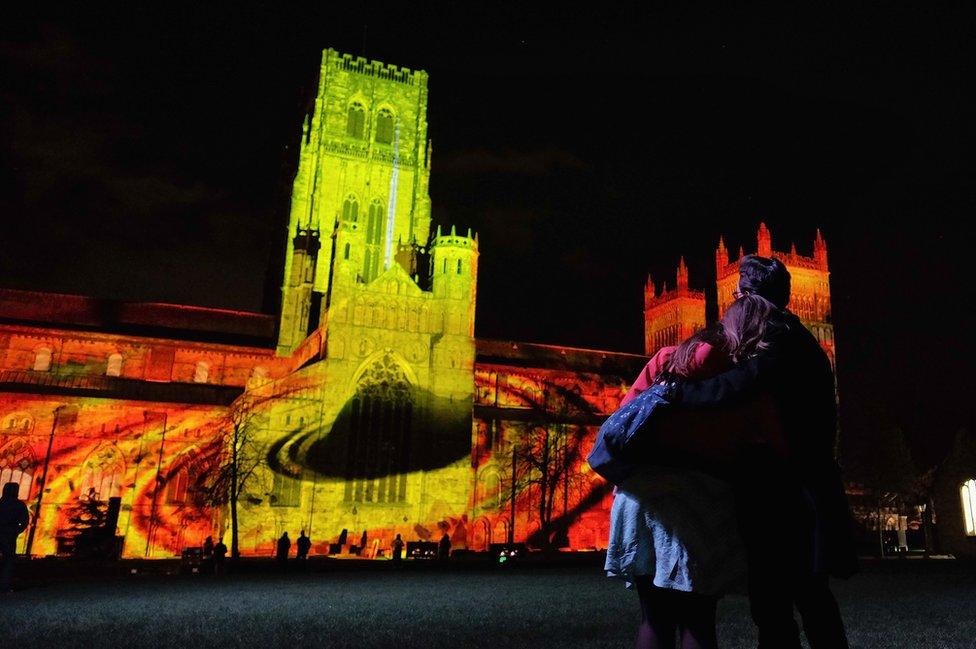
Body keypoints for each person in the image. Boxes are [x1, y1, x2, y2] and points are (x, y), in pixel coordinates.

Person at [671, 255, 856, 649]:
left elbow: (740, 384)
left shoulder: (777, 336)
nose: (733, 303)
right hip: (799, 485)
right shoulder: (798, 337)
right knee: (807, 599)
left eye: (738, 294)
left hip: (787, 490)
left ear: (748, 296)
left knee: (783, 603)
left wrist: (678, 394)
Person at [606, 294, 784, 649]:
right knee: (697, 619)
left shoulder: (666, 357)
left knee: (654, 619)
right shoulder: (742, 377)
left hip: (639, 498)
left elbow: (620, 421)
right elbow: (774, 446)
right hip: (699, 502)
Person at [0, 482, 29, 592]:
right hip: (9, 535)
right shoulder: (19, 505)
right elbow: (25, 521)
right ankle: (5, 586)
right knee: (8, 561)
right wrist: (16, 531)